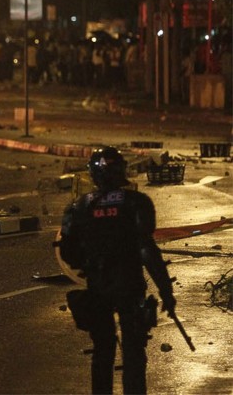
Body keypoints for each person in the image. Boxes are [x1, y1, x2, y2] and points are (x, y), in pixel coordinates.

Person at [57, 147, 176, 394]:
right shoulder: (137, 203)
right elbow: (147, 250)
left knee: (102, 351)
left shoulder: (78, 207)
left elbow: (68, 252)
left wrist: (91, 262)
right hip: (130, 285)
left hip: (98, 286)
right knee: (133, 352)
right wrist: (165, 290)